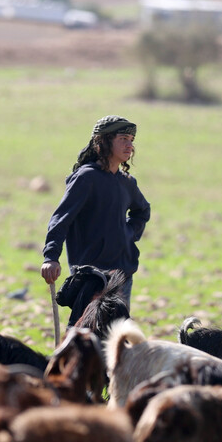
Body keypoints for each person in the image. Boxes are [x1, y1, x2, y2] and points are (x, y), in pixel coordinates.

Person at [41, 115, 150, 323]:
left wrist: (126, 235)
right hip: (91, 275)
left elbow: (142, 211)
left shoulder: (127, 182)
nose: (130, 146)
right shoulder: (86, 178)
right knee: (84, 337)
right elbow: (60, 219)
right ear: (104, 141)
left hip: (121, 274)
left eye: (131, 140)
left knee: (116, 339)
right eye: (123, 139)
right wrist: (51, 257)